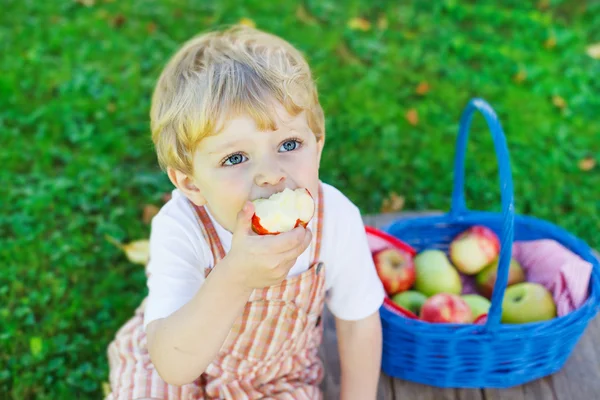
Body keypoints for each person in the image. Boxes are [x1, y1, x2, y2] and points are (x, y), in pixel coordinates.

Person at [106, 24, 385, 400]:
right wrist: (235, 276)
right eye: (235, 157)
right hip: (177, 353)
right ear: (191, 184)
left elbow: (359, 322)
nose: (270, 173)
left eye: (289, 143)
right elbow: (173, 366)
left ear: (317, 148)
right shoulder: (182, 227)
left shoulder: (334, 219)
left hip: (276, 378)